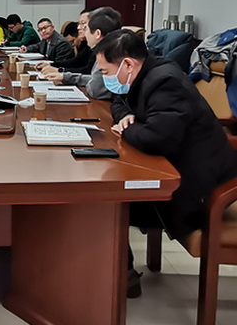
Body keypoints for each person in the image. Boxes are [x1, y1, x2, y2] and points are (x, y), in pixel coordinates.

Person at [93, 29, 237, 296]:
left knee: (106, 202)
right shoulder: (145, 73)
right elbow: (118, 101)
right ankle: (120, 273)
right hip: (178, 172)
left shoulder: (165, 81)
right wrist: (125, 117)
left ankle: (122, 278)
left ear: (127, 64)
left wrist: (126, 128)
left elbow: (156, 139)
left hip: (200, 192)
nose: (105, 77)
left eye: (105, 71)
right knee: (106, 195)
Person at [38, 7, 122, 100]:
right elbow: (94, 79)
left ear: (97, 33)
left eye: (86, 28)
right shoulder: (109, 48)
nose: (79, 29)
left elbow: (95, 88)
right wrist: (65, 77)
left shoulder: (108, 54)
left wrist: (64, 75)